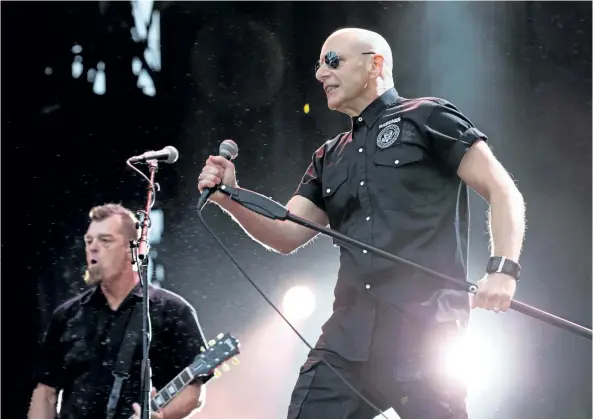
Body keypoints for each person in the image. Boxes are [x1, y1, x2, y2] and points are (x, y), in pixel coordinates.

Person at [197, 27, 525, 419]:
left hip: (424, 330)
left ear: (375, 64)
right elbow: (286, 234)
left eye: (333, 61)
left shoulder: (428, 116)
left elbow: (502, 190)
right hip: (347, 338)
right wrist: (229, 197)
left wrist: (503, 269)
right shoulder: (329, 156)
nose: (321, 74)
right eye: (318, 65)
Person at [28, 203, 209, 419]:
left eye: (105, 240)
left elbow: (192, 390)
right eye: (89, 241)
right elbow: (45, 393)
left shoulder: (172, 311)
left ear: (133, 249)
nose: (93, 247)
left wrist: (163, 416)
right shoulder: (66, 315)